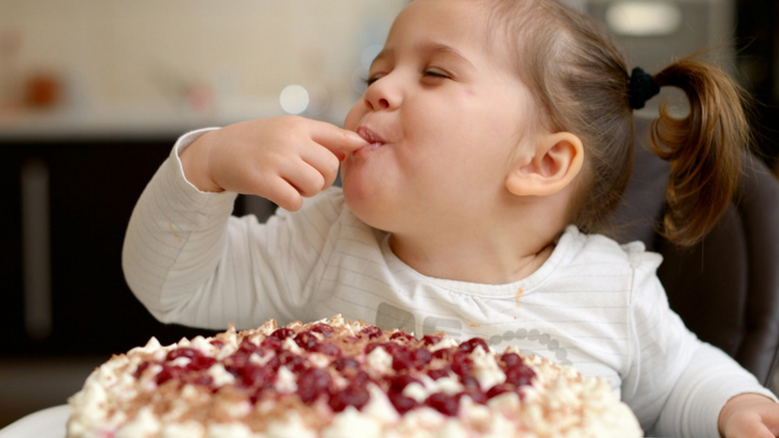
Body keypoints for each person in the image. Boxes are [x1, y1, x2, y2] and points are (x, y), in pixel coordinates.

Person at [122, 0, 779, 436]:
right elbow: (174, 285)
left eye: (433, 72)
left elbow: (682, 378)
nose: (376, 90)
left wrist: (738, 407)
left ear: (542, 163)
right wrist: (205, 162)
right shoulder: (325, 241)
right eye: (374, 72)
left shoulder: (611, 292)